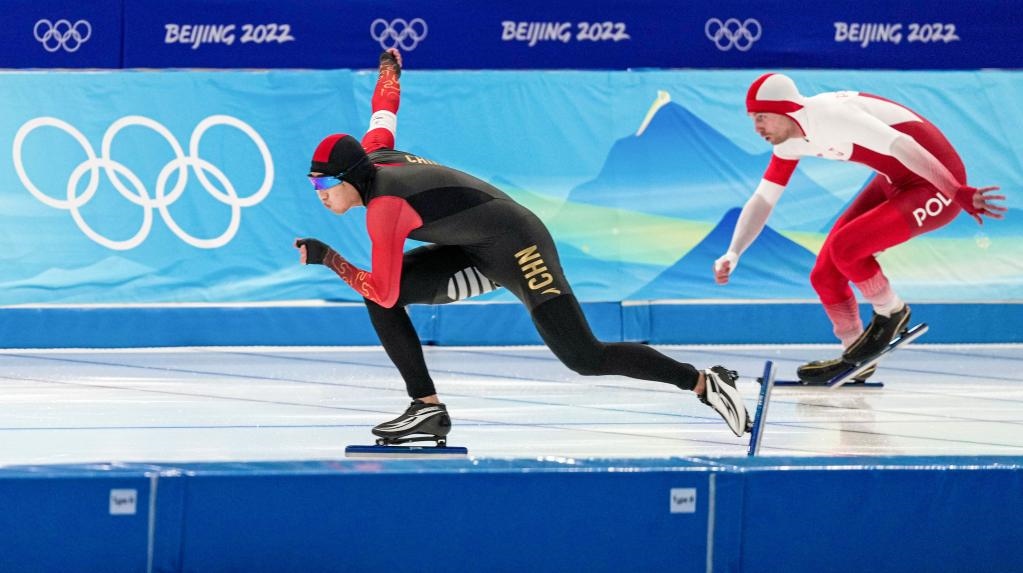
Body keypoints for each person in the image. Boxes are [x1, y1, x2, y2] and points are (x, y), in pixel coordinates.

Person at [294, 49, 752, 444]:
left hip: (519, 245)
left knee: (585, 356)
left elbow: (386, 289)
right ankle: (426, 408)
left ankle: (703, 382)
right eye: (314, 184)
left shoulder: (385, 210)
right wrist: (389, 68)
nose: (320, 194)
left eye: (324, 184)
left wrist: (329, 258)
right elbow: (384, 109)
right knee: (377, 299)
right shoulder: (374, 152)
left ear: (350, 178)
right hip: (471, 248)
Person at [714, 73, 1006, 383]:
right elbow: (763, 199)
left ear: (785, 109)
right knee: (824, 276)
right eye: (752, 119)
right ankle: (856, 356)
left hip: (936, 184)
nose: (756, 127)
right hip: (895, 181)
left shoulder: (831, 115)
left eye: (761, 117)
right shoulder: (789, 143)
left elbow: (903, 145)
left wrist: (954, 190)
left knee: (847, 248)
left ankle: (892, 311)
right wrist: (734, 251)